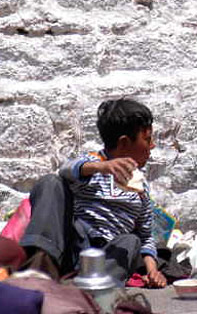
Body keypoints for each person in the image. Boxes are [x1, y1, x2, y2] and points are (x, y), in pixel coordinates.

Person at [20, 98, 167, 287]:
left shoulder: (141, 188)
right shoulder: (92, 165)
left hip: (105, 256)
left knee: (131, 241)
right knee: (51, 182)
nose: (152, 145)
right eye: (147, 139)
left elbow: (146, 237)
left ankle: (92, 288)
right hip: (74, 246)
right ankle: (40, 268)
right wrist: (102, 167)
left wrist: (153, 271)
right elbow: (66, 170)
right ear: (124, 142)